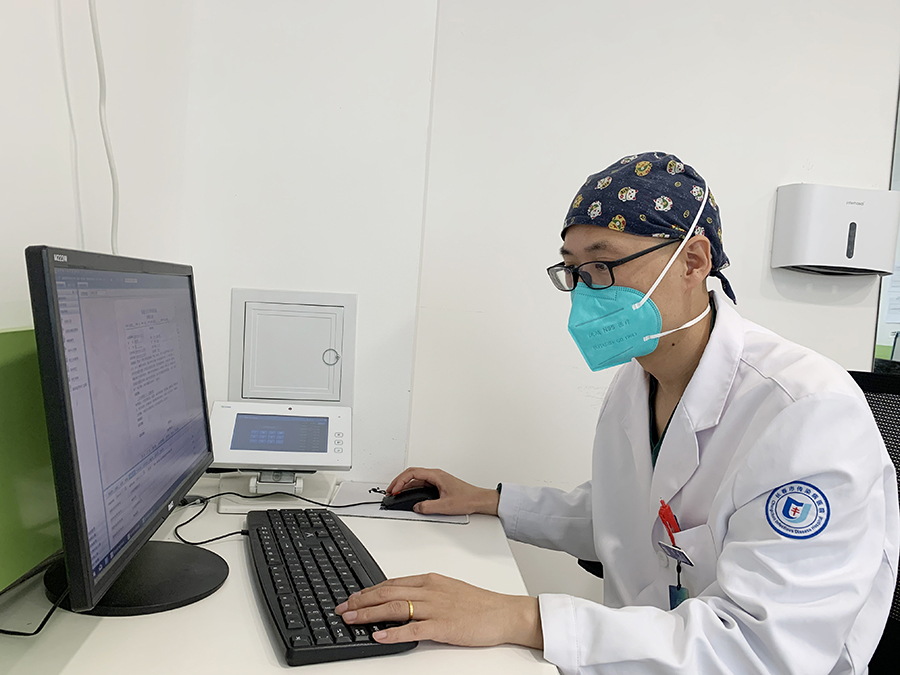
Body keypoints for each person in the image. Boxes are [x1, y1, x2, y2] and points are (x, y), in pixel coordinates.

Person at [335, 152, 900, 674]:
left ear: (693, 260)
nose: (587, 292)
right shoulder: (637, 382)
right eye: (575, 272)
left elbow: (760, 649)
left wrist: (520, 617)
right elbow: (631, 518)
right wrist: (492, 500)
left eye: (603, 265)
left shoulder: (806, 413)